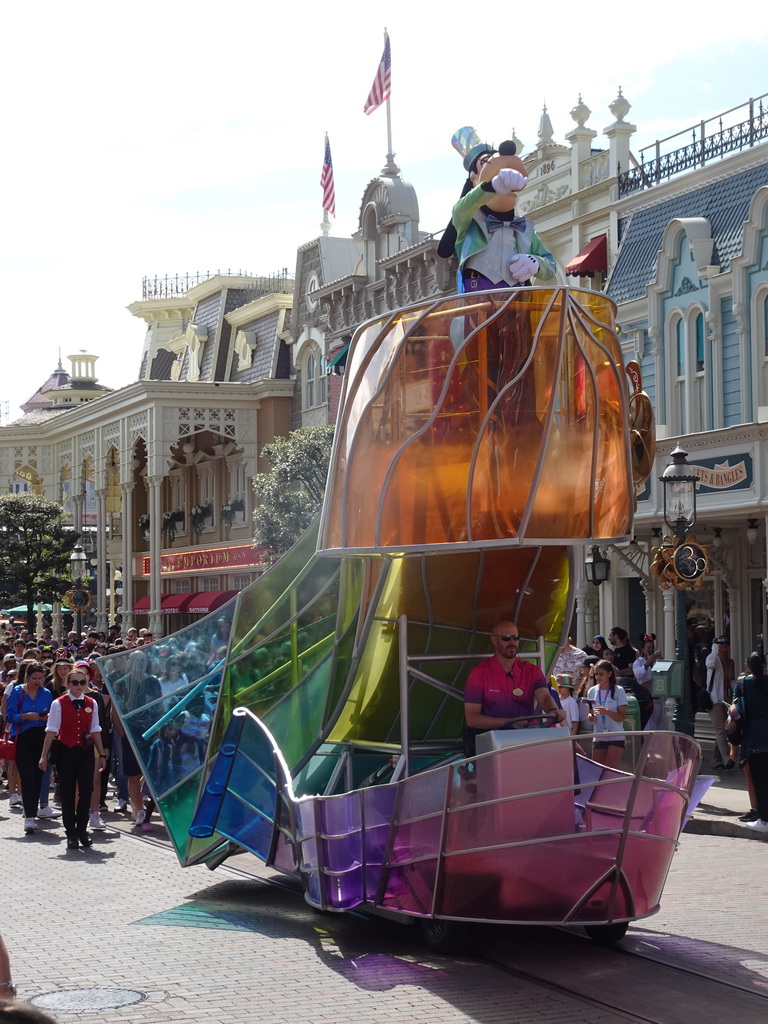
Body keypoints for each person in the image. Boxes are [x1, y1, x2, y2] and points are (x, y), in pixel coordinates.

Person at [447, 134, 557, 293]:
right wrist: (491, 186)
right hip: (478, 307)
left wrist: (536, 263)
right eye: (485, 162)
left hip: (519, 305)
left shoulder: (525, 229)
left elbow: (551, 265)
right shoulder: (468, 221)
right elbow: (461, 208)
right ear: (473, 179)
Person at [464, 620, 566, 744]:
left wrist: (553, 709)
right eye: (506, 638)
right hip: (492, 744)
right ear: (494, 640)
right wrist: (508, 722)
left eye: (516, 638)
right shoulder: (479, 674)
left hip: (526, 741)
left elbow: (544, 696)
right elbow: (472, 719)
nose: (512, 642)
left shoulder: (532, 671)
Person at [39, 667, 107, 849]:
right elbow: (52, 730)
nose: (79, 686)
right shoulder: (58, 703)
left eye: (82, 682)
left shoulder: (91, 702)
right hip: (66, 751)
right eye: (75, 682)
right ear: (68, 684)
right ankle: (71, 833)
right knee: (68, 793)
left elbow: (95, 729)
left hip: (85, 751)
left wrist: (101, 753)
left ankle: (82, 829)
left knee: (86, 791)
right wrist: (43, 756)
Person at [3, 662, 53, 834]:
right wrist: (24, 716)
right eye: (34, 678)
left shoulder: (46, 693)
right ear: (27, 677)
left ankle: (31, 807)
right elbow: (9, 715)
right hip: (23, 737)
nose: (38, 682)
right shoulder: (18, 692)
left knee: (39, 775)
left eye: (40, 678)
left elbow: (52, 714)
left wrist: (46, 718)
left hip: (41, 736)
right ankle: (30, 816)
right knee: (27, 775)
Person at [731, 652, 768, 832]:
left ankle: (763, 818)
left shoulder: (743, 683)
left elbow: (734, 709)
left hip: (754, 734)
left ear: (748, 667)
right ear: (764, 665)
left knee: (759, 778)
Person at [587, 659, 628, 768]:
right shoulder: (592, 691)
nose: (598, 677)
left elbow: (622, 717)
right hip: (599, 734)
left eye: (601, 674)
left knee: (610, 771)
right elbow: (591, 713)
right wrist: (591, 717)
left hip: (615, 735)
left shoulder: (619, 690)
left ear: (609, 674)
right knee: (596, 769)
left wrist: (607, 712)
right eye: (596, 674)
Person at [705, 637, 735, 770]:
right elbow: (709, 663)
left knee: (725, 730)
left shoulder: (731, 662)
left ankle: (716, 760)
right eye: (722, 644)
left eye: (727, 644)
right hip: (714, 699)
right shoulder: (713, 660)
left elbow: (732, 680)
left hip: (726, 698)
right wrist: (714, 648)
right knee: (721, 729)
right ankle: (726, 758)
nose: (726, 646)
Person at [632, 634, 664, 729]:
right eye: (648, 647)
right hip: (646, 697)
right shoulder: (638, 662)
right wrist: (648, 662)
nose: (650, 650)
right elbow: (639, 675)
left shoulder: (656, 661)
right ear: (643, 650)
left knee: (657, 725)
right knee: (648, 725)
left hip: (657, 697)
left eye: (652, 648)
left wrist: (661, 661)